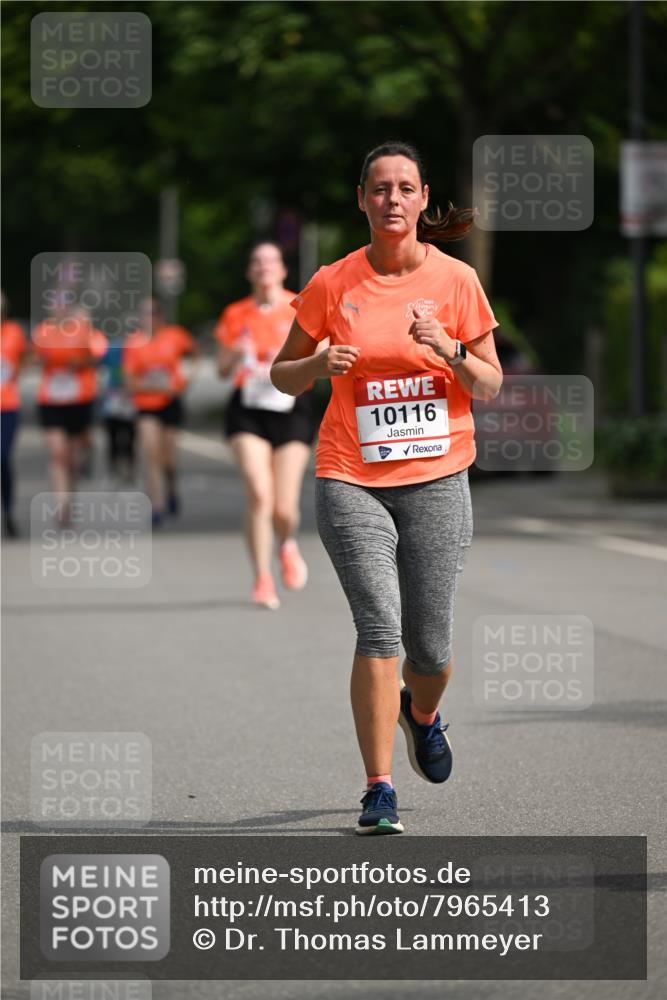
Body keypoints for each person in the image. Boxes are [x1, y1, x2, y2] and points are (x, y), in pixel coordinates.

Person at [271, 142, 503, 834]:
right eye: (379, 188)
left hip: (436, 478)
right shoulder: (331, 284)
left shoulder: (457, 281)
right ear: (361, 199)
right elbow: (282, 376)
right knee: (378, 628)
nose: (392, 199)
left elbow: (488, 383)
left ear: (423, 198)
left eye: (404, 188)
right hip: (351, 476)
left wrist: (448, 348)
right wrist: (314, 361)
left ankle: (420, 713)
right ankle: (378, 789)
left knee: (428, 648)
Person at [216, 242, 315, 609]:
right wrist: (237, 352)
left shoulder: (300, 307)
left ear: (282, 270)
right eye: (256, 262)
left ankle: (286, 544)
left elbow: (323, 352)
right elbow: (221, 369)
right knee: (259, 494)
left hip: (291, 407)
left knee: (284, 508)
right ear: (249, 272)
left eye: (270, 261)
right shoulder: (235, 314)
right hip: (248, 407)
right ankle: (262, 577)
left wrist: (293, 361)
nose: (263, 267)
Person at [123, 298, 198, 526]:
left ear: (160, 316)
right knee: (151, 453)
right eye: (144, 313)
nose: (149, 318)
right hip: (146, 405)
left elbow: (194, 354)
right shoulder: (134, 342)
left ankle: (171, 488)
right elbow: (129, 381)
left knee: (168, 459)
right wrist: (155, 386)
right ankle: (157, 505)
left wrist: (186, 378)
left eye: (153, 313)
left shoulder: (175, 335)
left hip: (170, 403)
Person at [32, 302, 107, 522]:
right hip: (51, 399)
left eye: (63, 306)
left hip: (79, 399)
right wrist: (42, 359)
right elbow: (35, 358)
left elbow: (98, 354)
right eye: (55, 307)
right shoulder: (43, 331)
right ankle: (62, 506)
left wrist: (81, 361)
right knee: (58, 454)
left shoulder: (83, 329)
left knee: (72, 459)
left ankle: (70, 499)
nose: (58, 310)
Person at [1, 292, 28, 537]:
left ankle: (8, 511)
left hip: (7, 405)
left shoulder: (14, 332)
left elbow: (22, 359)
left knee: (2, 457)